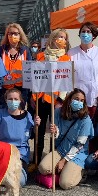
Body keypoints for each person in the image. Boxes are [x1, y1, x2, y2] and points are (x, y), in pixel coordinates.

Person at [0, 88, 41, 186]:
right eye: (10, 99)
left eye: (16, 99)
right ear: (6, 100)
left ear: (21, 100)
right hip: (1, 153)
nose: (13, 101)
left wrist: (36, 126)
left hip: (19, 154)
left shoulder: (28, 116)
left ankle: (2, 177)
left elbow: (33, 135)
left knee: (20, 181)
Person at [37, 88, 94, 190]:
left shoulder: (86, 119)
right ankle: (65, 170)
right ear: (69, 99)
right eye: (76, 99)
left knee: (65, 183)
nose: (79, 102)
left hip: (77, 153)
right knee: (43, 168)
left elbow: (79, 145)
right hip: (61, 149)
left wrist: (64, 161)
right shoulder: (58, 112)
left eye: (82, 101)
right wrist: (55, 132)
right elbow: (57, 136)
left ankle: (81, 171)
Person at [32, 28, 72, 168]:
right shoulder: (41, 56)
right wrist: (37, 95)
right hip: (42, 100)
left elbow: (66, 82)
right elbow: (36, 77)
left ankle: (50, 161)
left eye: (64, 38)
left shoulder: (66, 58)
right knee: (40, 130)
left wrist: (60, 101)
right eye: (59, 37)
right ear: (53, 38)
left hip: (57, 102)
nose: (61, 40)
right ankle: (36, 160)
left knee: (54, 132)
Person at [68, 22, 98, 116]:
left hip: (95, 93)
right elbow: (67, 74)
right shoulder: (71, 52)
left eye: (88, 32)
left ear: (93, 36)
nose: (85, 34)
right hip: (78, 95)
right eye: (83, 31)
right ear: (79, 34)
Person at [0, 23, 32, 107]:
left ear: (20, 35)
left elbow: (30, 70)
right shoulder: (1, 50)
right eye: (10, 33)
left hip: (21, 89)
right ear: (7, 35)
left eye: (15, 33)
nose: (13, 36)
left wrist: (27, 91)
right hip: (5, 89)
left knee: (19, 112)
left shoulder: (25, 50)